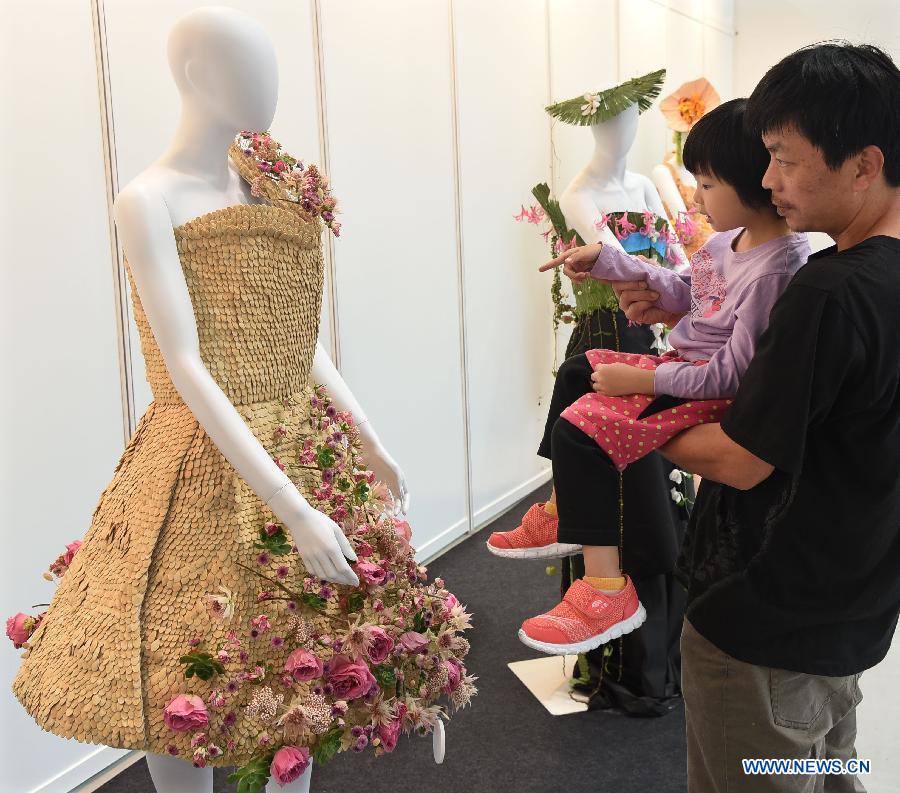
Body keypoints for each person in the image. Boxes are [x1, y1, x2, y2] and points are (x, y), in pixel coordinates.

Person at [617, 42, 900, 792]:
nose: (768, 181)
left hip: (765, 623)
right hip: (850, 616)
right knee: (826, 765)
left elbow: (743, 457)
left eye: (784, 158)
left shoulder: (828, 291)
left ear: (865, 163)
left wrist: (634, 418)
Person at [489, 99, 810, 658]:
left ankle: (606, 588)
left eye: (707, 185)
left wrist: (646, 382)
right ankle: (568, 504)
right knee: (575, 374)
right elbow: (685, 290)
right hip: (685, 369)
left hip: (708, 390)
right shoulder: (725, 243)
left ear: (752, 183)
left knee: (582, 426)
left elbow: (731, 373)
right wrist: (608, 261)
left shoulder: (776, 268)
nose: (697, 199)